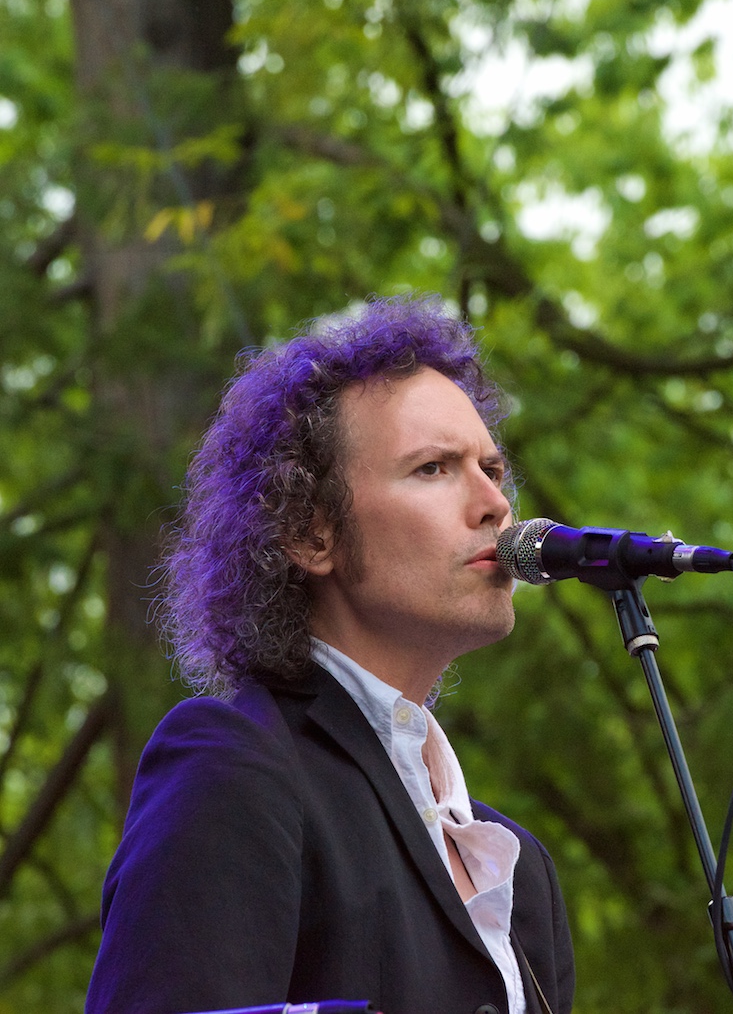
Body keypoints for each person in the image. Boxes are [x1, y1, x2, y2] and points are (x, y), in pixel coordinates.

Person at [85, 294, 575, 1014]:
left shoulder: (515, 862)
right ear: (311, 535)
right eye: (434, 468)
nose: (494, 504)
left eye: (492, 468)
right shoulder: (235, 764)